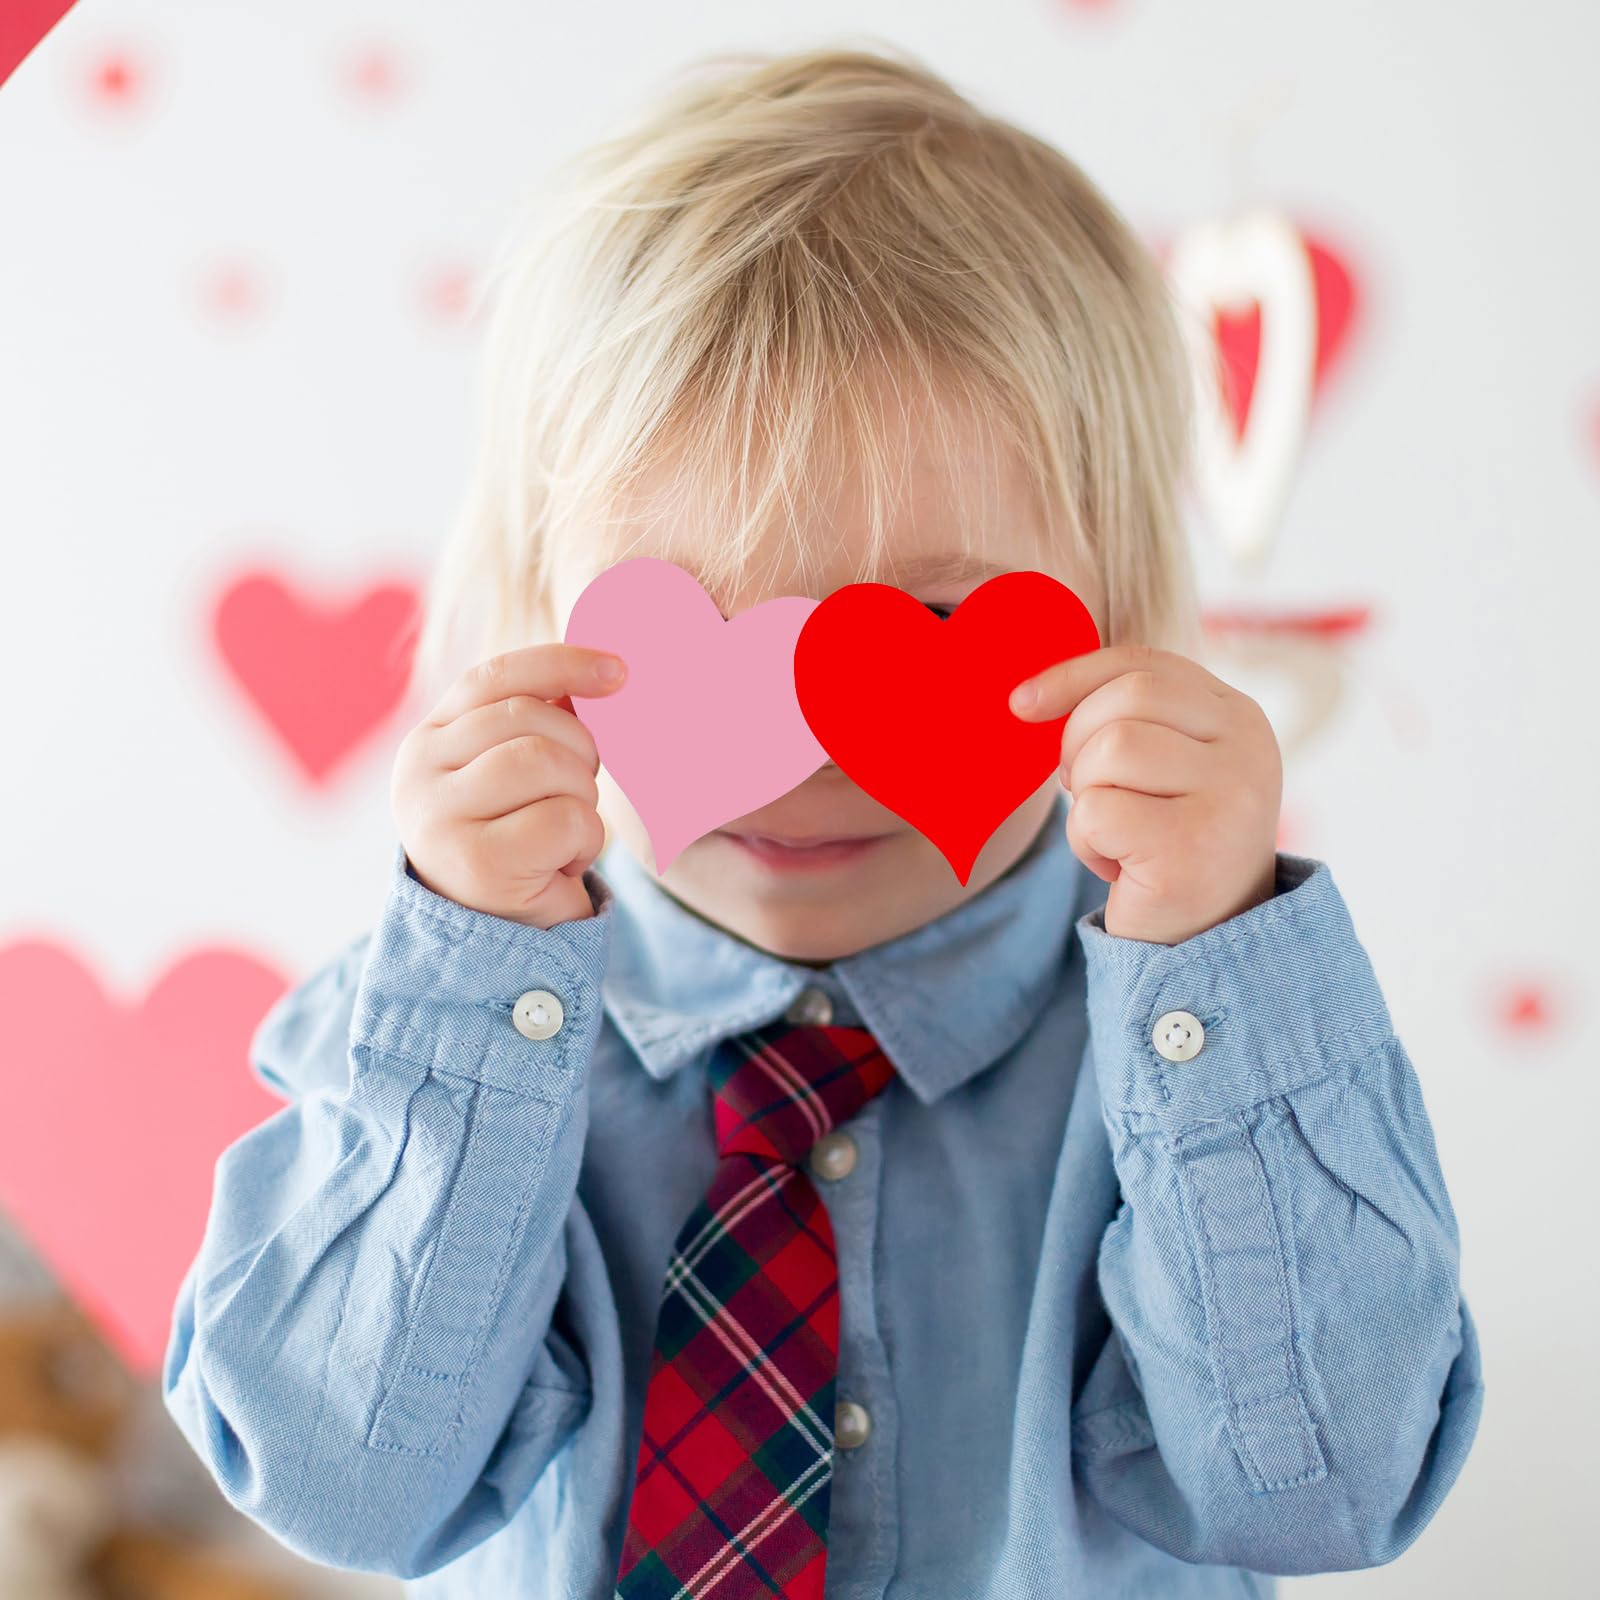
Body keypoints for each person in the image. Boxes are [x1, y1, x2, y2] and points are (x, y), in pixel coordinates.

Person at [162, 42, 1483, 1599]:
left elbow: (1321, 1494)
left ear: (1118, 621)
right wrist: (475, 991)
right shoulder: (425, 1021)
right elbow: (339, 1484)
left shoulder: (1226, 1034)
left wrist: (1216, 960)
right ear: (525, 619)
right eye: (691, 636)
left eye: (925, 622)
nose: (796, 762)